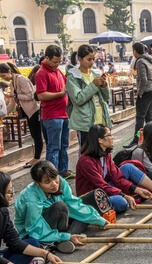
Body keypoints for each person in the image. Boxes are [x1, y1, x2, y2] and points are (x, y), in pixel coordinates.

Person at [76, 125, 152, 214]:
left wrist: (136, 189)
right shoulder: (86, 161)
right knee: (122, 202)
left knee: (128, 167)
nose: (112, 138)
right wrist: (124, 195)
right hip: (93, 196)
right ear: (100, 140)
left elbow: (117, 177)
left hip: (104, 189)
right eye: (109, 135)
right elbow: (101, 185)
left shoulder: (106, 155)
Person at [14, 160, 107, 254]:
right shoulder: (31, 198)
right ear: (37, 183)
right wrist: (66, 236)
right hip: (35, 231)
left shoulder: (60, 182)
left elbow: (74, 205)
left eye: (55, 177)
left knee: (87, 210)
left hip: (58, 223)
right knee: (60, 207)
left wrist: (99, 220)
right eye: (47, 182)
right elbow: (36, 228)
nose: (54, 184)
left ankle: (61, 239)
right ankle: (59, 239)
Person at [0, 171, 62, 264]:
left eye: (12, 190)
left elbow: (15, 243)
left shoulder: (3, 211)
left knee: (33, 242)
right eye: (8, 192)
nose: (12, 195)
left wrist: (46, 254)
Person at [35, 45, 74, 179]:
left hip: (63, 114)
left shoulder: (57, 71)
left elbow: (66, 85)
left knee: (64, 145)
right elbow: (41, 95)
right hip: (51, 116)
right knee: (53, 148)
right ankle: (51, 176)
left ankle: (63, 170)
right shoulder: (41, 73)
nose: (57, 64)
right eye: (55, 61)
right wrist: (60, 94)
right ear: (46, 58)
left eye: (59, 61)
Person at [66, 45, 112, 152]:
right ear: (80, 59)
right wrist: (94, 85)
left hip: (101, 119)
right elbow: (78, 99)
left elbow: (106, 97)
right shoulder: (73, 77)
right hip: (86, 123)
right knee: (87, 153)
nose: (92, 62)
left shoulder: (96, 73)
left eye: (93, 59)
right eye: (89, 59)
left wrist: (104, 86)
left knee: (103, 151)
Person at [0, 63, 43, 169]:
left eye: (4, 75)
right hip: (28, 112)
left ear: (9, 71)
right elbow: (13, 104)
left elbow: (30, 95)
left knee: (37, 136)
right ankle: (37, 157)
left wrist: (15, 95)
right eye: (1, 77)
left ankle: (37, 158)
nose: (3, 78)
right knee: (35, 135)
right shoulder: (13, 82)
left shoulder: (21, 79)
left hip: (34, 110)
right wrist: (3, 114)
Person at [124, 42, 152, 148]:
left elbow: (143, 78)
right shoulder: (149, 60)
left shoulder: (140, 61)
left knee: (140, 118)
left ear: (135, 51)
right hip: (151, 90)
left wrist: (140, 92)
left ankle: (136, 139)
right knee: (149, 117)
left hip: (145, 92)